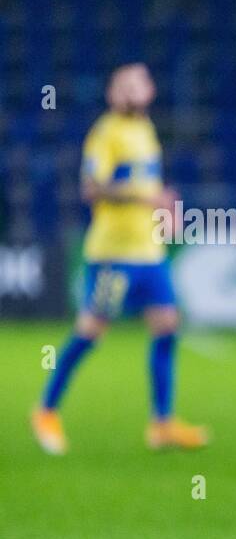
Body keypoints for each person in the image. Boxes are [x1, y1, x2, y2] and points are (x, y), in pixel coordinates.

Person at [31, 63, 208, 455]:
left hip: (150, 253)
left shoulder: (145, 131)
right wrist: (148, 199)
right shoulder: (105, 133)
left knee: (166, 325)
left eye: (138, 85)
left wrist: (166, 209)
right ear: (112, 93)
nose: (131, 92)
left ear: (150, 92)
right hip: (113, 255)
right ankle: (46, 410)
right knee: (91, 331)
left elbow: (150, 185)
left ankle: (162, 424)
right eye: (123, 86)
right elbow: (92, 189)